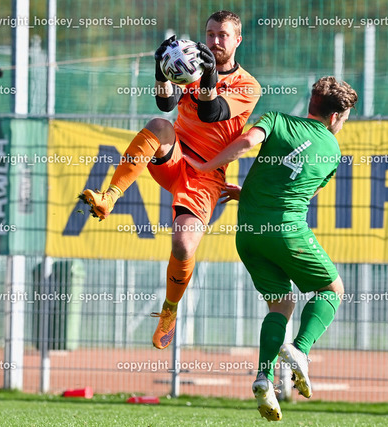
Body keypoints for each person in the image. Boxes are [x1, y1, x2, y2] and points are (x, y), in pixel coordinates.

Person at [79, 10, 260, 349]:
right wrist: (159, 67)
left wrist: (206, 73)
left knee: (182, 244)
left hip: (207, 175)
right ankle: (109, 197)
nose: (215, 41)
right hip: (175, 157)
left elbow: (212, 111)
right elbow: (165, 103)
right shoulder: (190, 65)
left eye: (223, 35)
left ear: (238, 40)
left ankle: (169, 309)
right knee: (159, 126)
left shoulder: (248, 85)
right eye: (210, 34)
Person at [185, 76, 358, 421]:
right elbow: (296, 191)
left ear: (312, 104)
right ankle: (300, 350)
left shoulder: (276, 119)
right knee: (332, 288)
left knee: (282, 302)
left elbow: (249, 143)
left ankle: (264, 378)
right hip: (286, 232)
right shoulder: (334, 152)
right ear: (337, 116)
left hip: (248, 233)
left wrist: (209, 169)